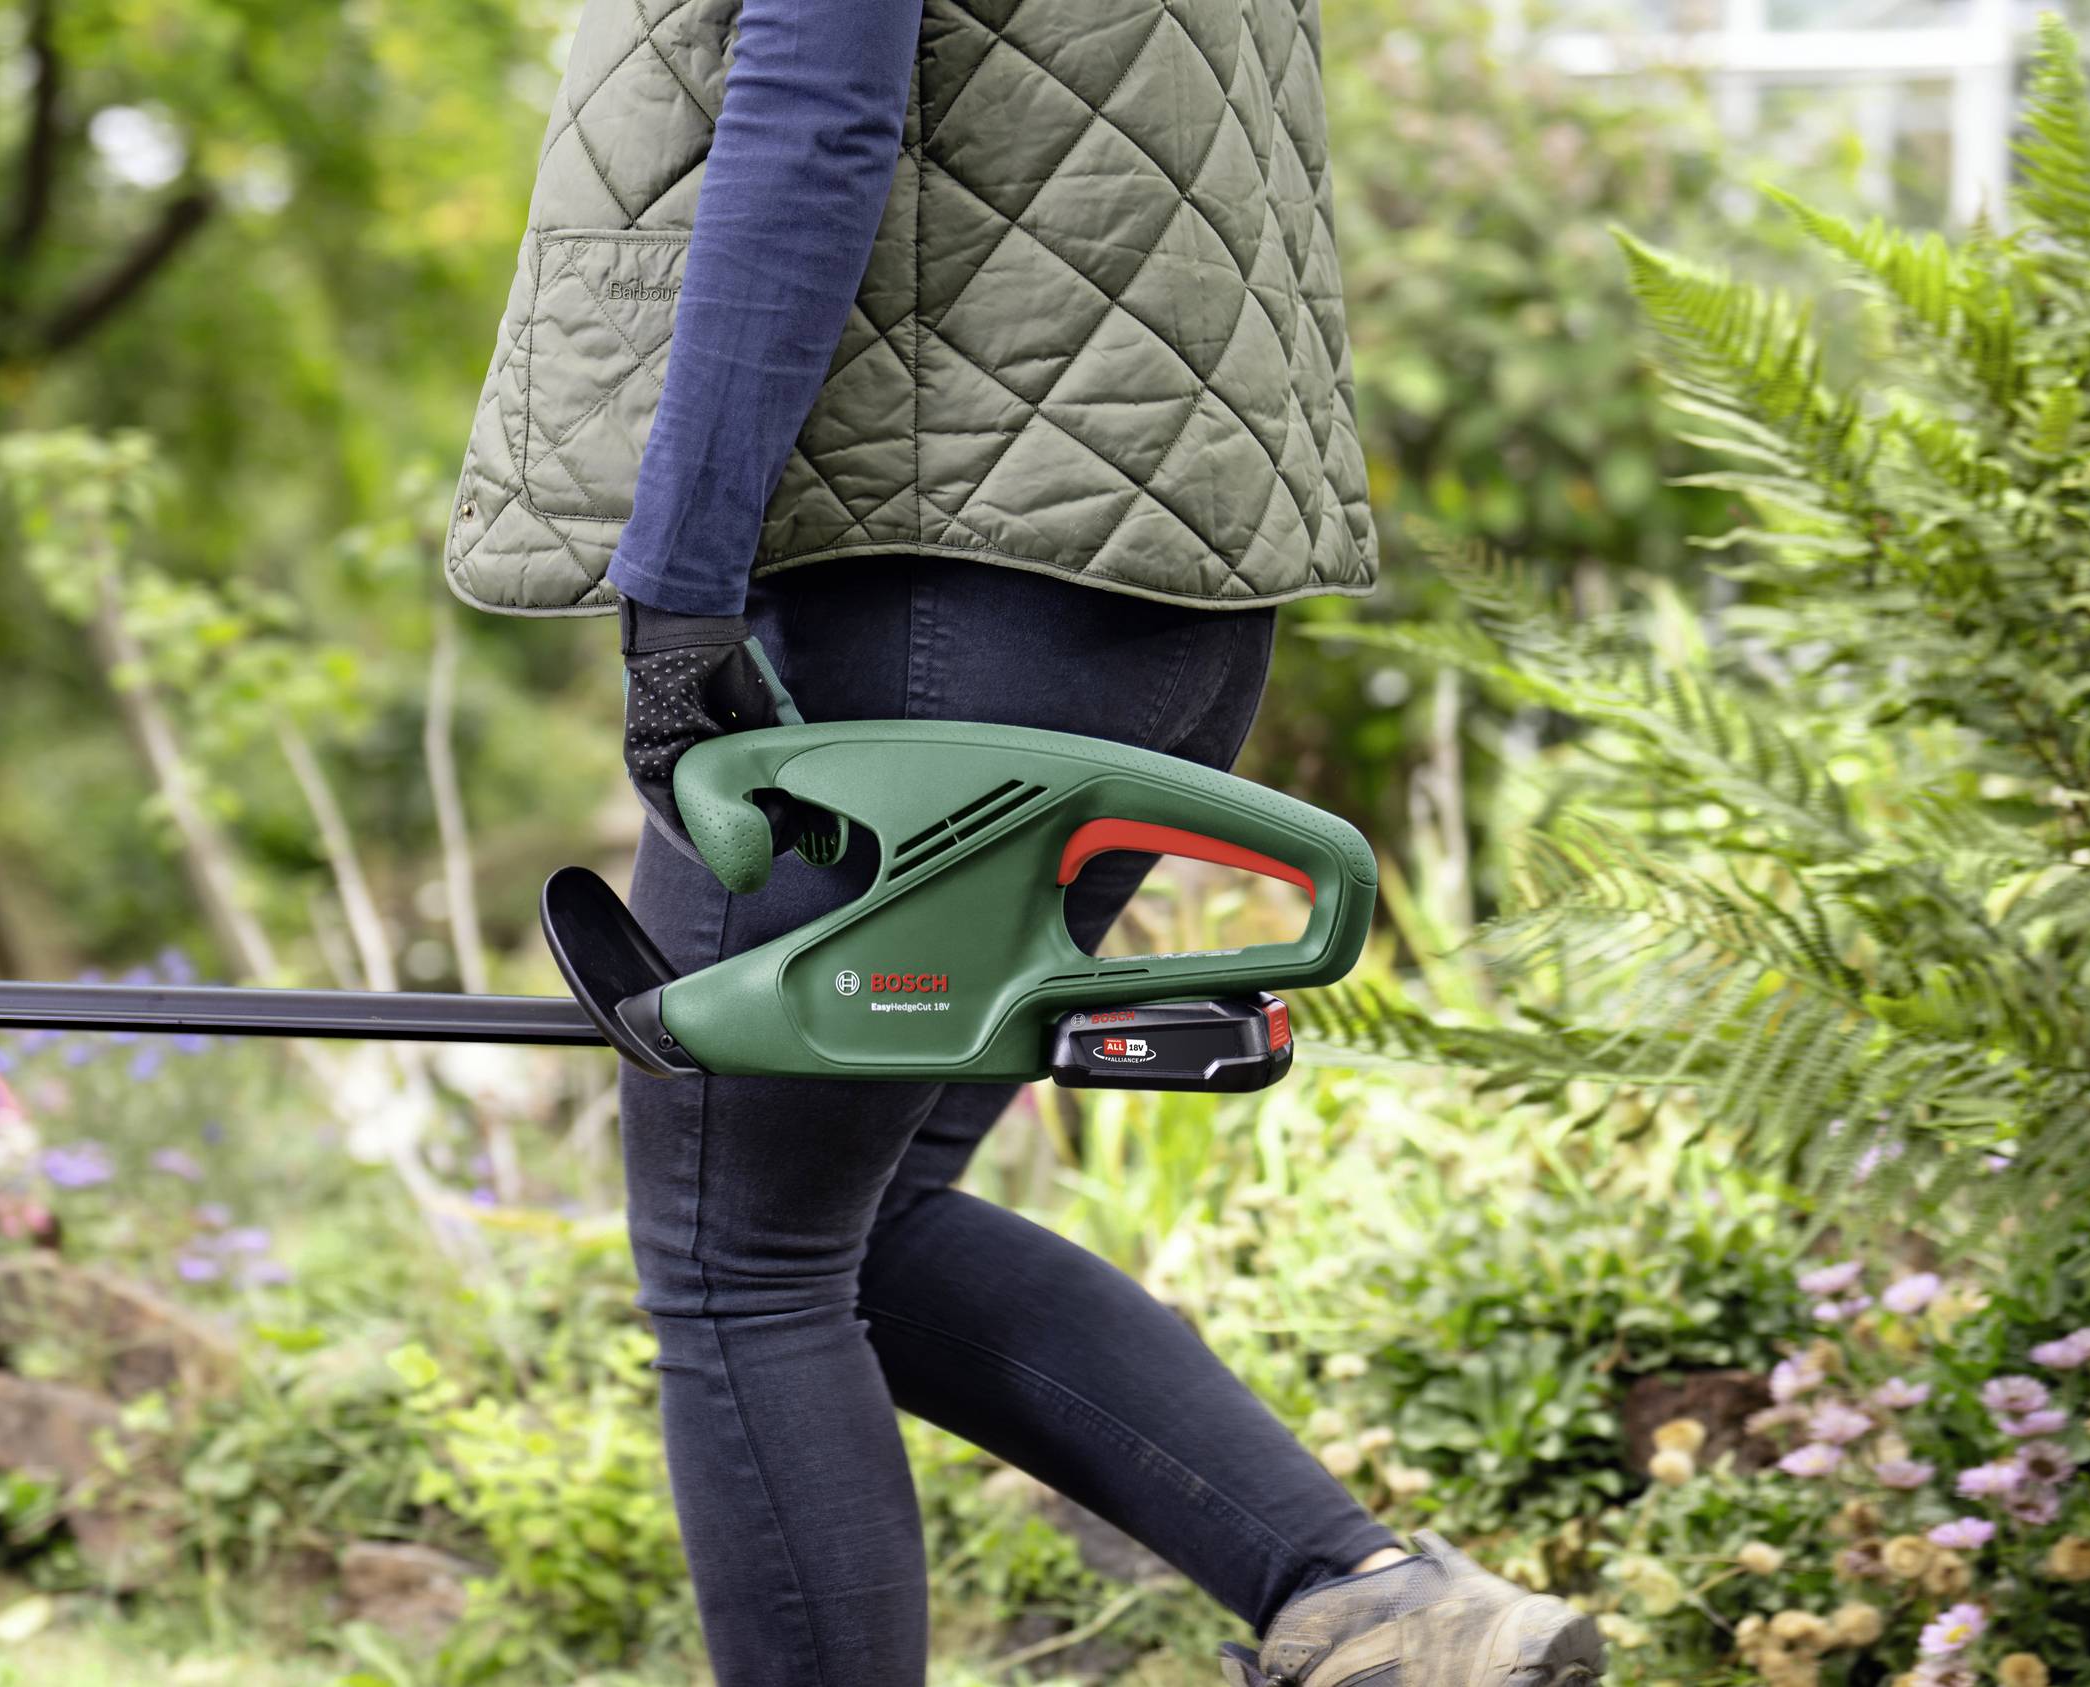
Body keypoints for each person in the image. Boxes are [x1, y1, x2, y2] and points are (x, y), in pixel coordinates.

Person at [444, 4, 1606, 1684]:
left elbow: (814, 114)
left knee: (737, 1260)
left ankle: (1367, 1605)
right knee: (855, 1217)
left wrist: (682, 581)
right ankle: (1378, 1613)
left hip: (929, 580)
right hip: (1149, 591)